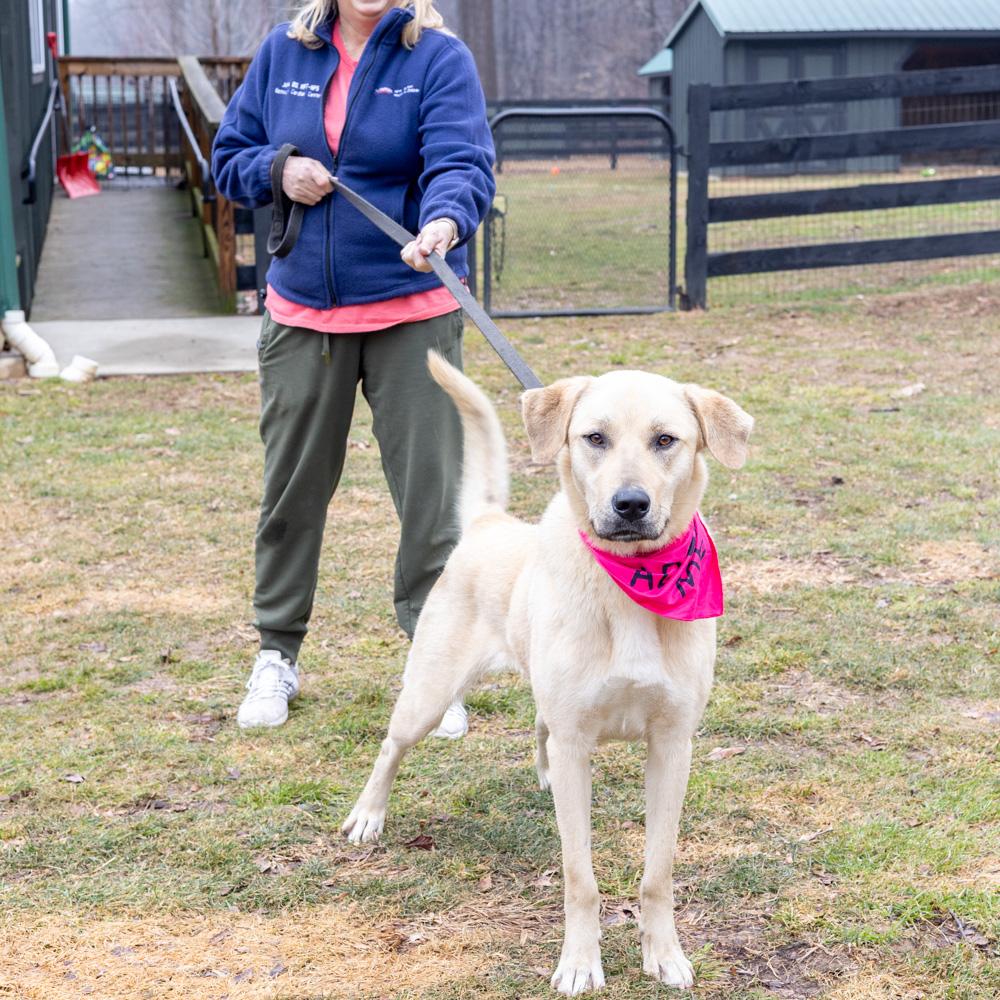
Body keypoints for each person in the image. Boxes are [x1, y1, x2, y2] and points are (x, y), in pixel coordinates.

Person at [211, 0, 495, 734]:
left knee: (433, 499)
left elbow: (461, 163)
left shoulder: (438, 58)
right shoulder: (284, 53)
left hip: (413, 306)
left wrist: (443, 222)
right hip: (303, 313)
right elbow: (229, 158)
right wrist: (279, 170)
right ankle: (276, 652)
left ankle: (436, 665)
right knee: (291, 494)